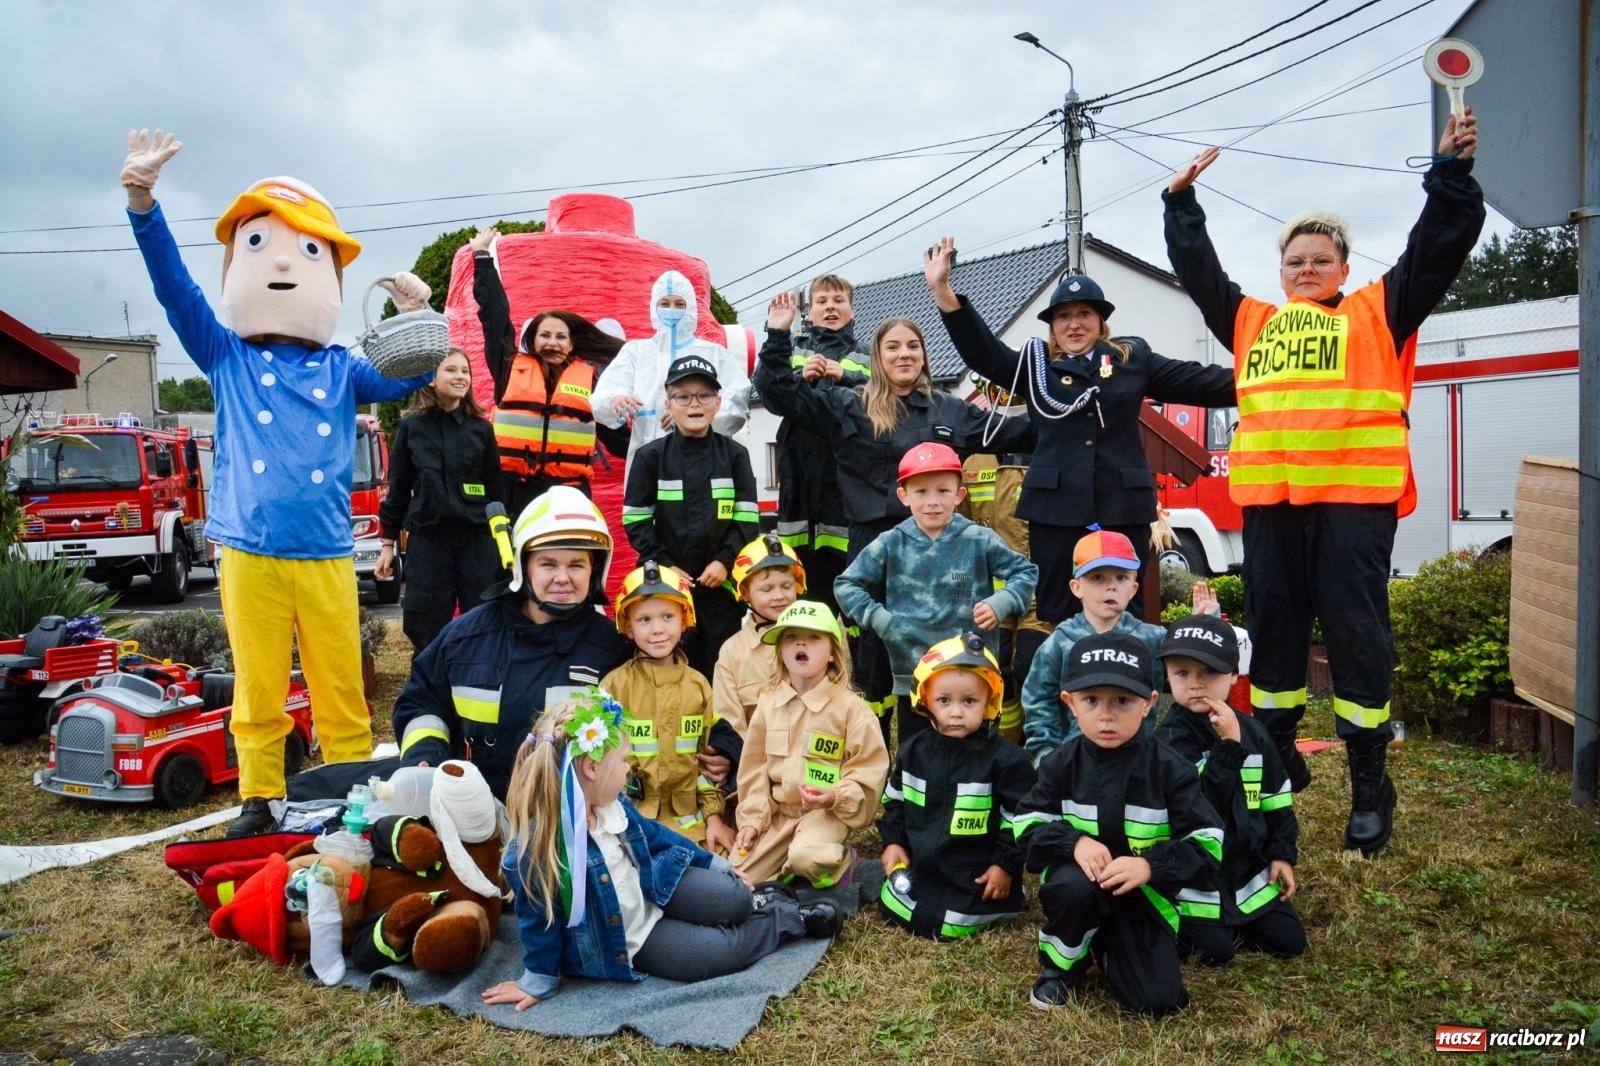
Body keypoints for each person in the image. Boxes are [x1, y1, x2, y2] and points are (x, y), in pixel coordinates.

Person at [1161, 110, 1485, 856]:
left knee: (1355, 640)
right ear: (1281, 272)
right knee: (1272, 644)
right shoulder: (1251, 323)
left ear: (1344, 266)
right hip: (1273, 509)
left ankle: (1371, 787)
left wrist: (1450, 177)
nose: (1307, 268)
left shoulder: (1380, 312)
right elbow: (1201, 274)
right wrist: (1181, 207)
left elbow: (1435, 249)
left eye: (1322, 258)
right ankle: (1271, 766)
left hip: (1353, 507)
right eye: (1295, 260)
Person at [120, 130, 434, 838]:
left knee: (341, 692)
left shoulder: (341, 368)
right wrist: (144, 205)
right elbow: (175, 291)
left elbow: (410, 371)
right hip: (250, 553)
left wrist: (417, 311)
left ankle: (352, 796)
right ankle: (259, 798)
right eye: (262, 246)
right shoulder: (224, 353)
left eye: (309, 252)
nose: (287, 264)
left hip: (325, 553)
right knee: (258, 689)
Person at [754, 293, 1032, 729]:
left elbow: (1020, 432)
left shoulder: (949, 410)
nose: (904, 354)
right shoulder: (849, 404)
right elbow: (778, 393)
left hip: (942, 547)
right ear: (877, 358)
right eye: (893, 347)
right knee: (875, 661)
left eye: (913, 346)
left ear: (923, 355)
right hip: (875, 545)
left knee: (948, 658)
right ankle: (877, 756)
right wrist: (777, 334)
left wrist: (1065, 399)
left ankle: (950, 747)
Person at [923, 238, 1236, 624]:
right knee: (1058, 609)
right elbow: (983, 353)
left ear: (1100, 321)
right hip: (1057, 511)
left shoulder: (1130, 359)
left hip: (1121, 506)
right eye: (1063, 316)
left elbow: (1197, 381)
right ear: (1053, 326)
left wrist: (1268, 379)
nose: (1074, 323)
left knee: (1125, 608)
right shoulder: (1036, 367)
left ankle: (1126, 681)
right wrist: (944, 293)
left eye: (1084, 313)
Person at [481, 693, 842, 1012]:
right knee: (716, 955)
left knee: (732, 896)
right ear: (592, 769)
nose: (629, 769)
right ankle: (786, 918)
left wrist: (713, 863)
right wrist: (538, 980)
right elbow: (538, 922)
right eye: (623, 761)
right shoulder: (536, 851)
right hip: (634, 935)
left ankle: (757, 900)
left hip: (656, 888)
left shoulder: (612, 804)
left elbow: (657, 837)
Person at [1013, 631, 1223, 1016]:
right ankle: (1062, 966)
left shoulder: (1171, 767)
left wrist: (1150, 867)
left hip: (1144, 895)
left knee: (1158, 1002)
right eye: (1091, 700)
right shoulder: (1061, 762)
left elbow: (1208, 843)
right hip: (1080, 883)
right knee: (1071, 888)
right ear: (1070, 703)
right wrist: (1073, 842)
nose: (1106, 715)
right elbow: (1026, 825)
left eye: (1123, 701)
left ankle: (1108, 944)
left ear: (1149, 704)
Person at [390, 486, 631, 800]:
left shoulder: (612, 649)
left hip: (570, 820)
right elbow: (422, 704)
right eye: (548, 564)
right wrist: (425, 759)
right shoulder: (467, 638)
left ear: (595, 570)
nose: (562, 577)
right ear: (523, 566)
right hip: (476, 814)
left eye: (576, 565)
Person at [835, 442, 1037, 750]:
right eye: (921, 492)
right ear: (903, 496)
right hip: (915, 676)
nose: (932, 502)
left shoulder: (978, 539)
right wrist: (881, 620)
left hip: (973, 673)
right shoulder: (891, 543)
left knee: (974, 757)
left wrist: (1001, 603)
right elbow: (846, 585)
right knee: (917, 754)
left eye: (943, 491)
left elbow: (1026, 573)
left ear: (960, 495)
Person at [1154, 614, 1304, 965]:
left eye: (1208, 673)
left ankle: (1236, 917)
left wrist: (1282, 854)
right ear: (1167, 677)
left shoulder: (1255, 732)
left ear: (1234, 675)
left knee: (1290, 942)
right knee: (1216, 952)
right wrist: (1228, 749)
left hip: (1247, 870)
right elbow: (1199, 807)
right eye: (1182, 673)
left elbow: (1277, 800)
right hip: (1195, 877)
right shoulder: (1166, 741)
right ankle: (1193, 924)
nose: (1195, 684)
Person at [877, 633, 1036, 939]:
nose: (956, 712)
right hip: (921, 867)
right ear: (924, 700)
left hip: (977, 874)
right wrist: (894, 842)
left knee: (956, 921)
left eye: (969, 701)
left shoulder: (1007, 762)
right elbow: (895, 803)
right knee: (896, 904)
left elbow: (1020, 821)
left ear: (990, 702)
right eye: (944, 700)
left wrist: (1005, 866)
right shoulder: (913, 752)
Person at [468, 226, 625, 516]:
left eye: (560, 337)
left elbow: (621, 442)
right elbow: (494, 320)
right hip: (511, 489)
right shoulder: (509, 368)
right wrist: (482, 257)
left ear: (571, 344)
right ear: (533, 341)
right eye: (545, 335)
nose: (552, 342)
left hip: (568, 493)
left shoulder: (593, 382)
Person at [732, 601, 889, 888]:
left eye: (814, 637)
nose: (800, 643)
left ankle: (843, 863)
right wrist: (753, 820)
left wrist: (834, 797)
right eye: (791, 637)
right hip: (779, 815)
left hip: (824, 814)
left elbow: (868, 772)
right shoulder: (767, 704)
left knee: (807, 858)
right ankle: (793, 869)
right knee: (738, 877)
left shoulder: (851, 709)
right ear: (780, 651)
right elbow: (754, 770)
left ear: (832, 653)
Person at [621, 354, 759, 677]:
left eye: (704, 395)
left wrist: (724, 562)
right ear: (668, 404)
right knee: (666, 670)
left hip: (719, 590)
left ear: (718, 402)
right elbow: (635, 521)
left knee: (719, 672)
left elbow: (748, 520)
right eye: (683, 396)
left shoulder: (736, 456)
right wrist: (666, 566)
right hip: (665, 587)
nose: (694, 404)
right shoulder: (650, 457)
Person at [377, 347, 505, 655]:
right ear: (431, 379)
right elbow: (398, 489)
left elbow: (497, 492)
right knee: (424, 619)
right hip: (429, 541)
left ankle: (478, 683)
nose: (461, 376)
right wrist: (387, 544)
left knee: (484, 614)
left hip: (477, 542)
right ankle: (430, 690)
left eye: (465, 371)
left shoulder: (482, 429)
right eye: (451, 370)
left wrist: (505, 544)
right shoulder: (411, 428)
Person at [602, 562, 731, 852]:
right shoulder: (613, 688)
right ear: (627, 628)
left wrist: (714, 817)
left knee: (728, 879)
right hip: (629, 823)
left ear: (685, 621)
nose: (658, 629)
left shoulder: (698, 686)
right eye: (644, 620)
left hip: (692, 826)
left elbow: (706, 762)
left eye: (668, 617)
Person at [771, 274, 872, 614]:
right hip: (796, 480)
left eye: (838, 300)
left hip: (846, 480)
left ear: (852, 310)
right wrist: (802, 379)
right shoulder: (794, 350)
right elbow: (770, 391)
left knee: (846, 577)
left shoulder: (867, 355)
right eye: (822, 301)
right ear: (809, 311)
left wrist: (845, 377)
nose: (830, 307)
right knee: (795, 575)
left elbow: (884, 401)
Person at [1022, 529, 1167, 765]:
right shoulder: (1060, 642)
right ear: (1076, 587)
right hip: (1077, 764)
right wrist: (1046, 758)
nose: (1111, 587)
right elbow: (1039, 703)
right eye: (1097, 577)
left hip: (1139, 761)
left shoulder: (1153, 639)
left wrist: (1206, 621)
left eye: (1121, 577)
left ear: (1134, 588)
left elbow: (1189, 667)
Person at [590, 269, 751, 470]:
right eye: (664, 304)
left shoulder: (713, 353)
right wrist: (614, 401)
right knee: (644, 501)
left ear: (690, 307)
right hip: (647, 458)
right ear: (653, 306)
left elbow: (737, 403)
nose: (671, 310)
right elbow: (603, 396)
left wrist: (692, 417)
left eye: (679, 304)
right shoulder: (636, 352)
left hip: (703, 456)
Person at [705, 533, 807, 793]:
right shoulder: (733, 652)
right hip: (755, 775)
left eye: (786, 586)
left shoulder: (817, 641)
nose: (779, 596)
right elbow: (730, 721)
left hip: (808, 769)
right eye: (766, 589)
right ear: (745, 593)